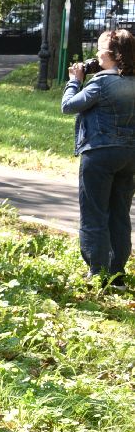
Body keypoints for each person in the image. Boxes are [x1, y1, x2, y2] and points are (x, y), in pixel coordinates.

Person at [63, 29, 135, 283]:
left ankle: (97, 271)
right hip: (129, 156)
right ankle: (117, 273)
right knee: (119, 213)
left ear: (112, 54)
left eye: (100, 49)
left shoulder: (100, 83)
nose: (96, 53)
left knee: (94, 212)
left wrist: (75, 80)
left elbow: (68, 106)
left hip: (100, 152)